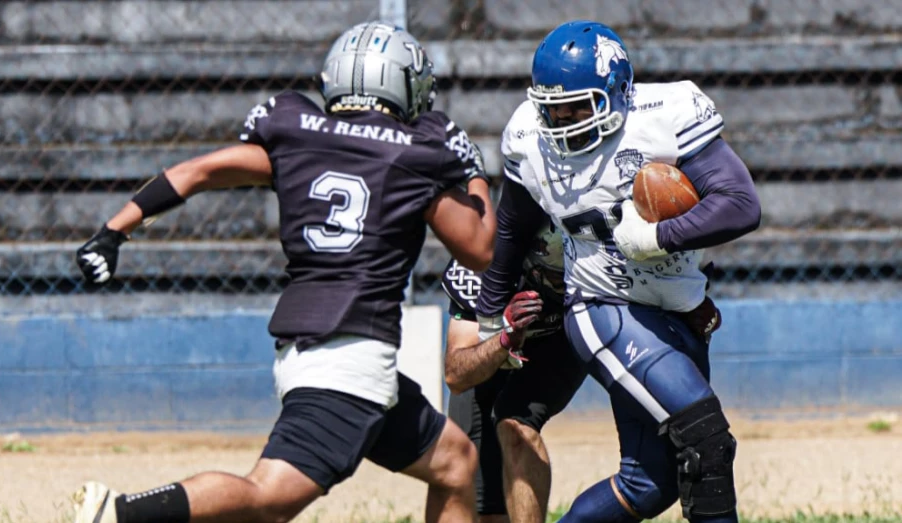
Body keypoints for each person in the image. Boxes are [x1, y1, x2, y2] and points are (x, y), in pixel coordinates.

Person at [71, 21, 496, 523]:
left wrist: (113, 230)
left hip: (312, 349)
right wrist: (474, 174)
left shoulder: (298, 133)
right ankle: (119, 515)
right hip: (352, 357)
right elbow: (480, 250)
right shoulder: (411, 153)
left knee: (454, 461)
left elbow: (198, 171)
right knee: (267, 498)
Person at [474, 20, 761, 523]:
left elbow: (740, 203)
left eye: (577, 105)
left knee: (650, 484)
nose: (562, 120)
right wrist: (488, 318)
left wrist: (657, 237)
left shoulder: (664, 115)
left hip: (676, 307)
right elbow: (512, 232)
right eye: (552, 107)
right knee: (706, 437)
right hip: (600, 305)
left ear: (617, 91)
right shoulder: (528, 137)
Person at [442, 220, 586, 523]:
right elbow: (456, 376)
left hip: (563, 337)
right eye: (552, 275)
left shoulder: (596, 253)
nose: (559, 284)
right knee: (475, 496)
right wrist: (504, 339)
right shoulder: (485, 261)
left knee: (515, 424)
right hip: (494, 346)